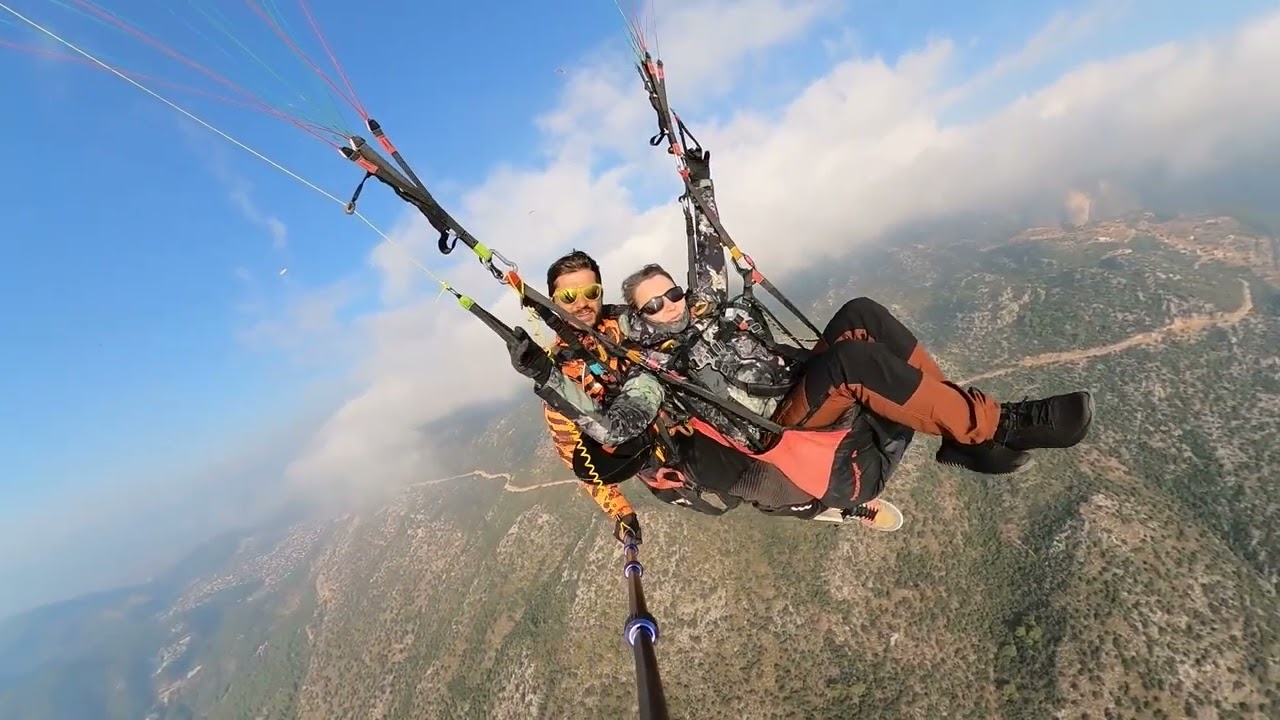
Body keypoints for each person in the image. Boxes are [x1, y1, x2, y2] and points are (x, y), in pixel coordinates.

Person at [606, 147, 1093, 516]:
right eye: (653, 303)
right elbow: (622, 419)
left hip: (794, 383)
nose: (669, 304)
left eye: (672, 293)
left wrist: (700, 184)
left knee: (862, 314)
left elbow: (708, 249)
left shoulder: (703, 307)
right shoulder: (654, 367)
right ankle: (1001, 425)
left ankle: (963, 438)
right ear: (638, 316)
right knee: (851, 366)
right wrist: (553, 377)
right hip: (777, 424)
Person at [505, 251, 888, 542]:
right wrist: (621, 513)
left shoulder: (628, 320)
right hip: (672, 457)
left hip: (700, 412)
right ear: (554, 300)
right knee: (758, 483)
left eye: (590, 291)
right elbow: (583, 462)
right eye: (568, 296)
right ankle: (836, 505)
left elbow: (690, 305)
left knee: (775, 442)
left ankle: (835, 489)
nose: (581, 302)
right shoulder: (563, 379)